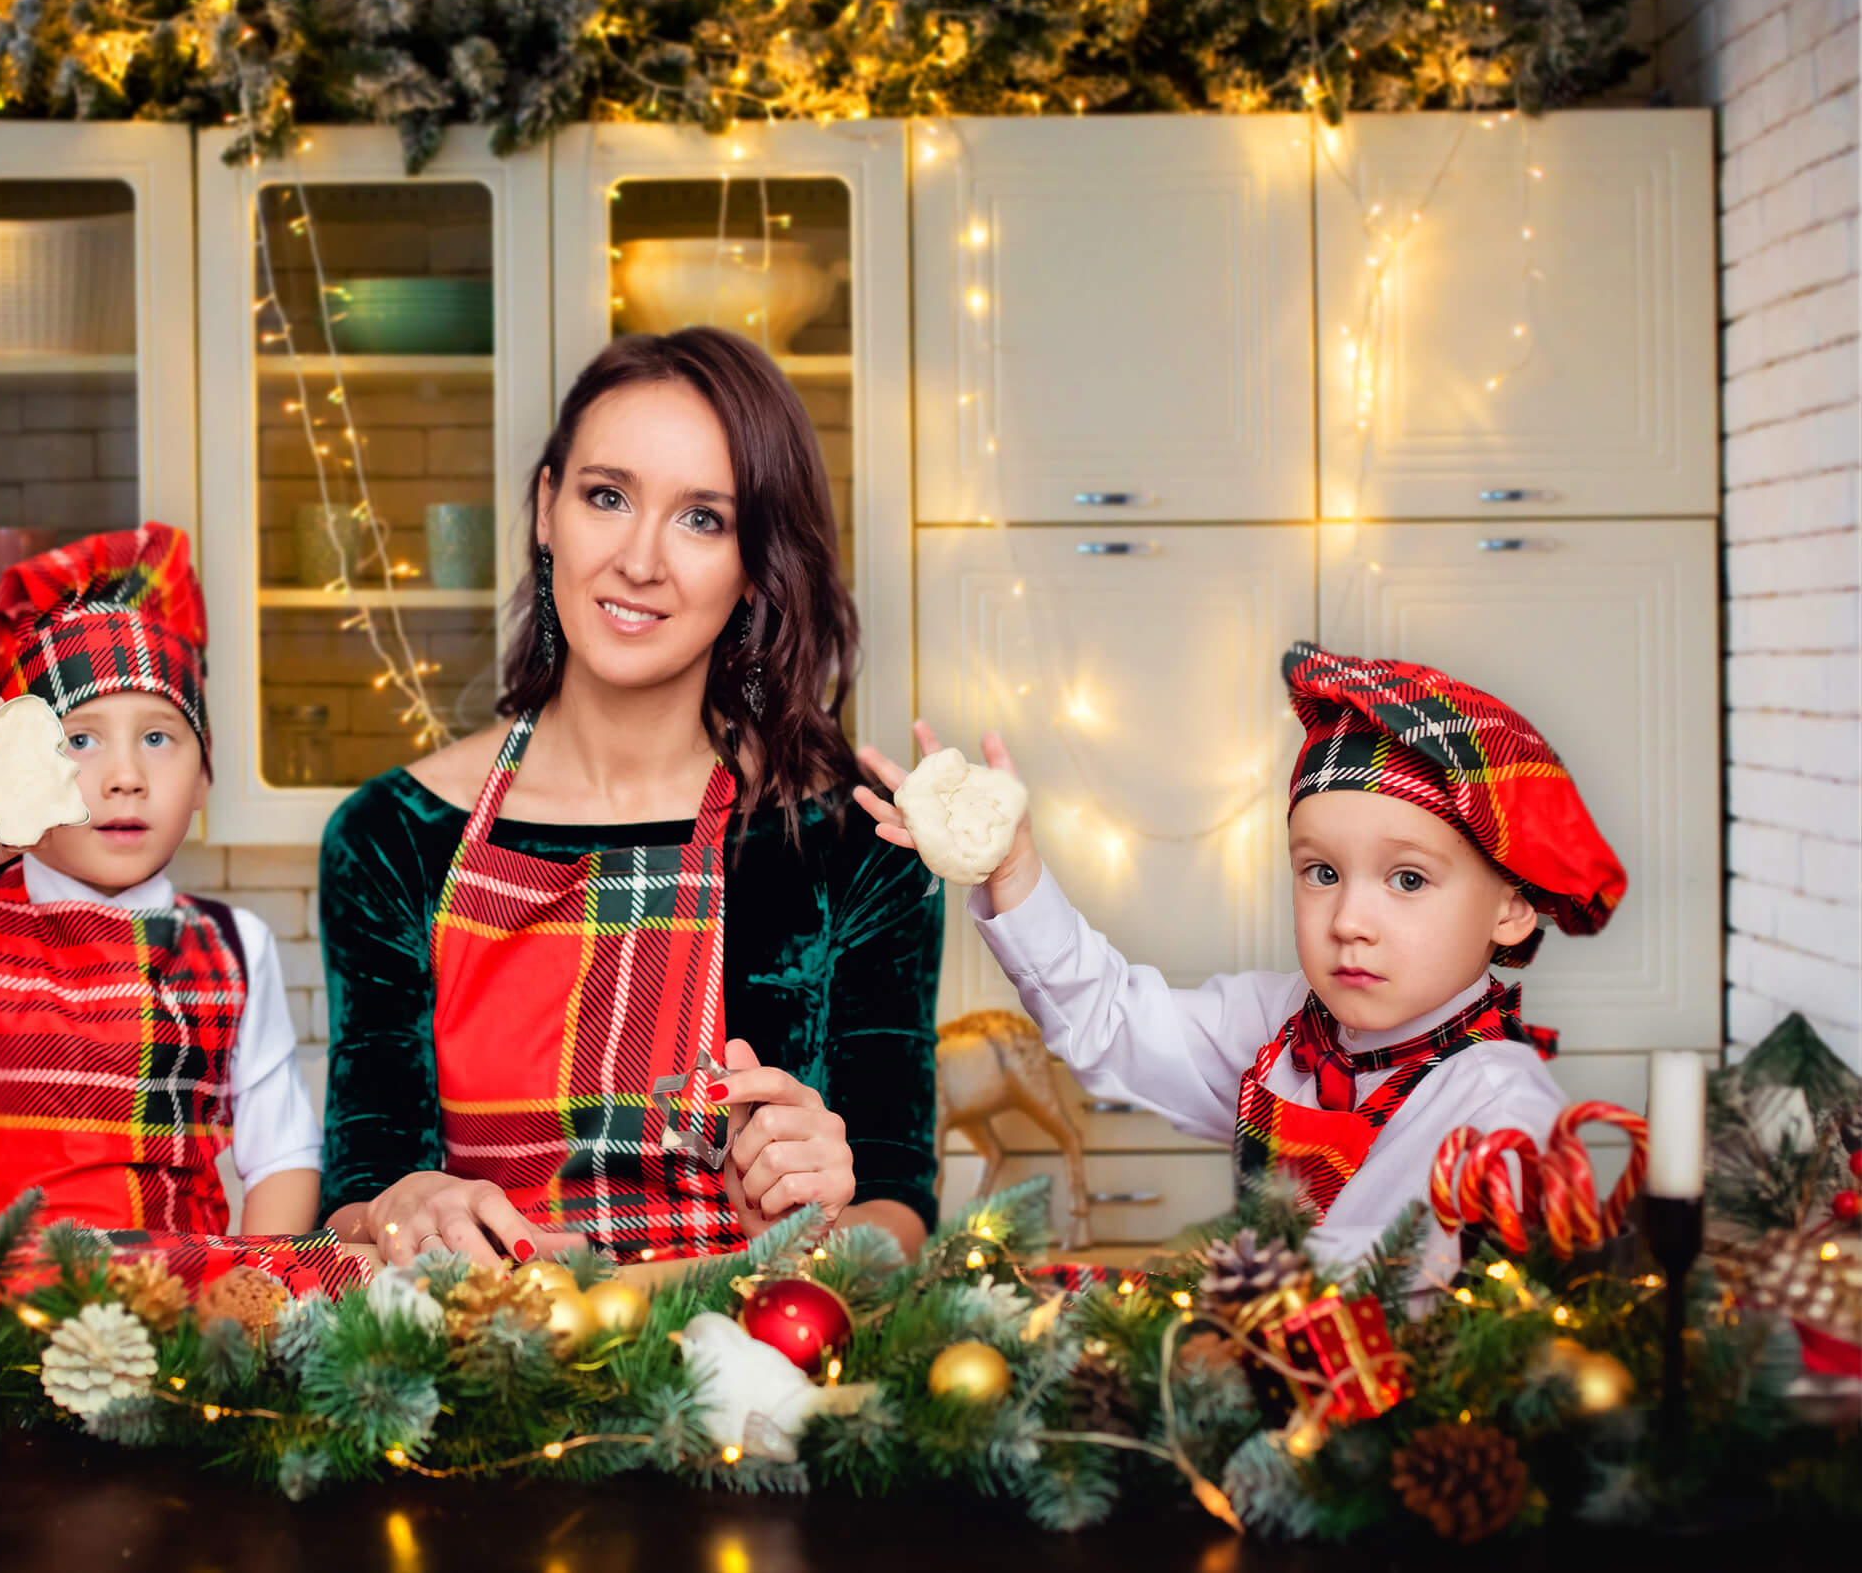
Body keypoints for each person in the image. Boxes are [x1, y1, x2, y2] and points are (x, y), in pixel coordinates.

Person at [318, 329, 944, 1269]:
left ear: (754, 567)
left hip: (746, 1384)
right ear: (546, 509)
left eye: (704, 519)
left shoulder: (851, 844)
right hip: (478, 1372)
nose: (640, 561)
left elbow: (897, 1208)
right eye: (607, 497)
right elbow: (354, 1200)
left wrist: (811, 1215)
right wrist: (404, 1200)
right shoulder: (391, 839)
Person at [857, 643, 1628, 1284]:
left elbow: (1440, 1309)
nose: (1350, 922)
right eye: (1321, 872)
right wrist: (1014, 872)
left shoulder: (1502, 1107)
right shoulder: (1283, 1025)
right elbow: (1112, 1020)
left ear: (1513, 906)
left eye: (1408, 879)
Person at [0, 522, 325, 1250]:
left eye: (159, 737)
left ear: (204, 779)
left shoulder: (236, 945)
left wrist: (257, 1296)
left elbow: (284, 1158)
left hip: (175, 1332)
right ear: (20, 769)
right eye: (80, 739)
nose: (125, 776)